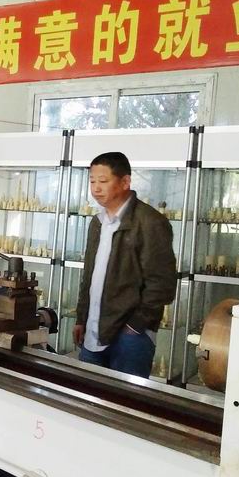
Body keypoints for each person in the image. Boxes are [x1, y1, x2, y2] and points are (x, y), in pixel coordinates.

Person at [73, 152, 176, 378]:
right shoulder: (97, 222)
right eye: (92, 181)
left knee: (125, 398)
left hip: (129, 336)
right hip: (93, 330)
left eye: (103, 181)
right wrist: (81, 317)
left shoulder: (150, 222)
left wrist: (136, 325)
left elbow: (163, 284)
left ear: (125, 182)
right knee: (87, 393)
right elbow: (89, 276)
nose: (96, 188)